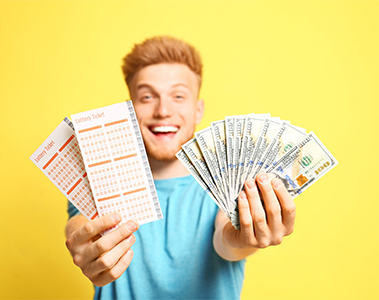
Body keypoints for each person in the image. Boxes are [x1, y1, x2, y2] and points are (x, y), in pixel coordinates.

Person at [65, 36, 296, 299]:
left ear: (198, 110)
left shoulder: (227, 181)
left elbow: (226, 241)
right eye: (147, 96)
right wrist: (84, 245)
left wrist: (244, 237)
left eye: (178, 95)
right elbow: (78, 224)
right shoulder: (100, 175)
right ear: (130, 110)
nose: (163, 110)